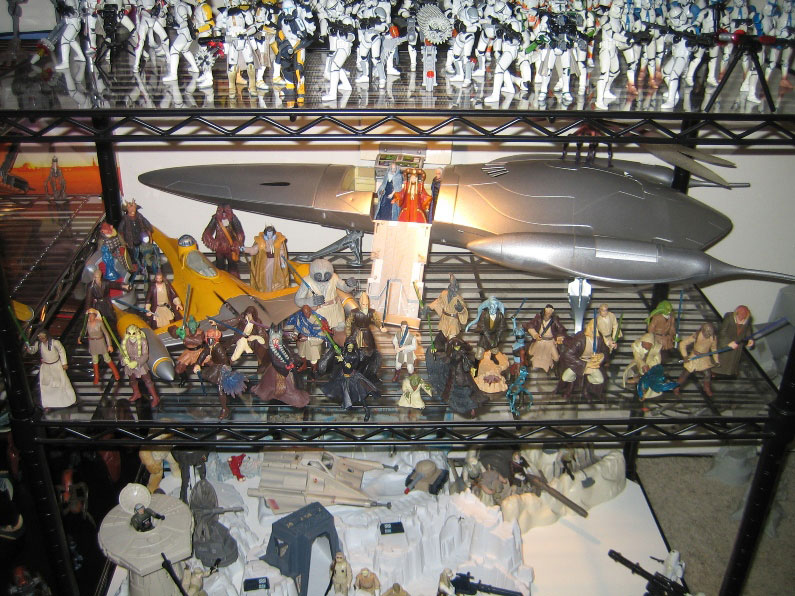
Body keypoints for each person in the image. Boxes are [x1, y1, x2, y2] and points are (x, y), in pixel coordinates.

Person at [26, 330, 77, 411]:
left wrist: (64, 363)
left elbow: (62, 351)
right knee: (46, 386)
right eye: (40, 337)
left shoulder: (55, 343)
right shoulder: (39, 344)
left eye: (43, 337)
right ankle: (48, 403)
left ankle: (69, 400)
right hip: (46, 367)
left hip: (56, 366)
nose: (42, 339)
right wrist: (29, 348)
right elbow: (33, 350)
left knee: (63, 383)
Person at [78, 308, 121, 385]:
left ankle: (116, 373)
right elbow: (83, 331)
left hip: (101, 342)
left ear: (95, 316)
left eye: (92, 315)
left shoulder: (99, 323)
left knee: (107, 358)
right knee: (95, 360)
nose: (91, 317)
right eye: (89, 316)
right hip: (92, 343)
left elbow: (106, 334)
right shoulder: (87, 324)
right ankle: (96, 376)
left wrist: (109, 345)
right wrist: (80, 337)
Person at [122, 325, 161, 407]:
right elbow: (121, 353)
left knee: (147, 380)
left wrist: (137, 363)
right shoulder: (124, 341)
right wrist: (124, 360)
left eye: (133, 333)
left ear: (137, 333)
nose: (131, 335)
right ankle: (136, 393)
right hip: (129, 363)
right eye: (129, 333)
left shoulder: (143, 341)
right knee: (132, 380)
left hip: (140, 363)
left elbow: (145, 355)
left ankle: (155, 397)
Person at [675, 323, 719, 397]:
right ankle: (676, 387)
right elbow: (682, 343)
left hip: (704, 358)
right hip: (694, 357)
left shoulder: (713, 338)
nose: (707, 335)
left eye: (709, 333)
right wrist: (685, 356)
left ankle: (706, 387)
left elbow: (714, 349)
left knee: (708, 374)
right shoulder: (696, 335)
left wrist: (716, 360)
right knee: (686, 373)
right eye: (706, 333)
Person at [201, 204, 245, 276]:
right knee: (220, 266)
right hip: (220, 247)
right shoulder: (215, 219)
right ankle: (221, 279)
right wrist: (214, 243)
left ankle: (233, 280)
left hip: (231, 247)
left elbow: (240, 233)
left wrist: (237, 243)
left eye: (226, 211)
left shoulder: (233, 218)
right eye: (221, 212)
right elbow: (207, 233)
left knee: (232, 267)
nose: (224, 214)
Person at [245, 225, 290, 293]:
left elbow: (281, 253)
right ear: (266, 233)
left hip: (275, 262)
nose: (269, 235)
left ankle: (275, 291)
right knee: (265, 276)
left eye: (271, 233)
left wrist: (282, 262)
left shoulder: (278, 241)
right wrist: (244, 249)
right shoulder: (261, 241)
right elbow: (253, 250)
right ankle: (266, 290)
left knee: (275, 276)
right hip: (265, 263)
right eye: (268, 233)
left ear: (273, 233)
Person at [712, 305, 754, 377]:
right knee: (721, 360)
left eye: (744, 315)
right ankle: (714, 372)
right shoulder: (729, 318)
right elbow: (722, 332)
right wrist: (728, 343)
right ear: (736, 313)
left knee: (733, 361)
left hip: (737, 345)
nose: (742, 317)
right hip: (726, 344)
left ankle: (730, 372)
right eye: (741, 314)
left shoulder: (747, 320)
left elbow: (748, 329)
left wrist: (750, 338)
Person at [525, 304, 567, 372]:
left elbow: (561, 329)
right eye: (547, 311)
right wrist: (535, 334)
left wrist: (559, 337)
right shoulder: (538, 318)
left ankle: (555, 369)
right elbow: (530, 326)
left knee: (556, 358)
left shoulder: (554, 320)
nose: (548, 313)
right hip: (540, 340)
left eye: (550, 311)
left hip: (550, 342)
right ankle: (534, 365)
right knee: (531, 353)